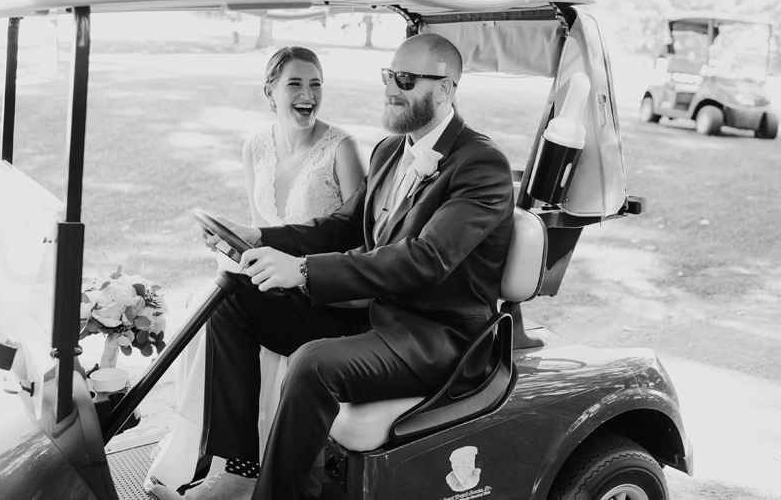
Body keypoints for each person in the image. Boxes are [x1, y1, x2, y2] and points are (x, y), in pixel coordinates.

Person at [150, 32, 514, 500]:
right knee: (231, 298)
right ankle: (240, 471)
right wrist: (260, 236)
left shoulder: (481, 165)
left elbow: (427, 258)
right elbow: (342, 227)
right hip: (374, 317)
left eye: (405, 79)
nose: (390, 89)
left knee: (313, 363)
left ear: (445, 89)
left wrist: (303, 272)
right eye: (388, 76)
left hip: (436, 339)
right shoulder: (390, 151)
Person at [145, 47, 366, 494]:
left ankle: (238, 471)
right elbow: (259, 230)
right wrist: (235, 241)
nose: (308, 94)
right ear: (271, 92)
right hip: (277, 282)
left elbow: (352, 236)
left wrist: (279, 257)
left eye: (316, 83)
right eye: (295, 84)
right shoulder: (256, 146)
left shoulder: (341, 148)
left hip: (327, 294)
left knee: (226, 297)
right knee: (215, 298)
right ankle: (232, 462)